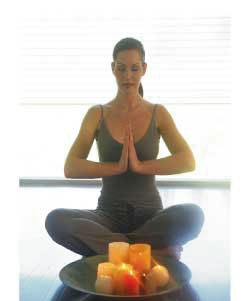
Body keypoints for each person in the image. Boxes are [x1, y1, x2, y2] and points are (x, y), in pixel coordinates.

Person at [45, 37, 204, 260]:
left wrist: (140, 166)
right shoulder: (97, 114)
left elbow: (188, 161)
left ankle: (112, 249)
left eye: (134, 68)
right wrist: (116, 167)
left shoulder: (158, 113)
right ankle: (149, 253)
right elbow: (71, 167)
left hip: (151, 217)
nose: (127, 76)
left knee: (193, 215)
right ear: (113, 69)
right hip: (108, 216)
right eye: (121, 68)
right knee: (56, 220)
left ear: (144, 69)